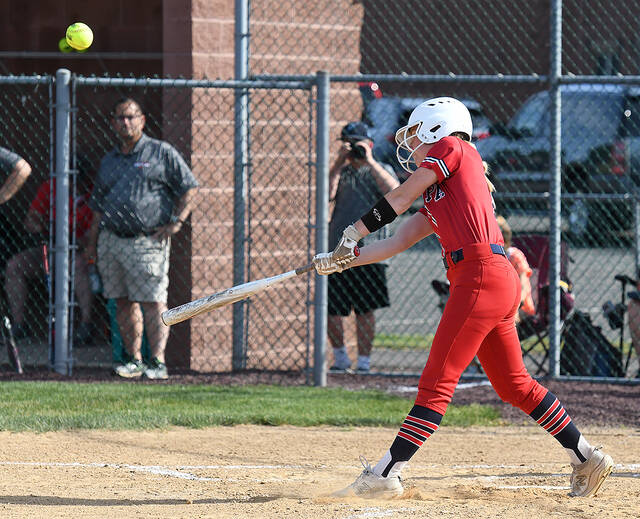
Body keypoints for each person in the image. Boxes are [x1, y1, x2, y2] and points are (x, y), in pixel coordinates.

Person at [313, 97, 613, 499]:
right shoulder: (441, 194)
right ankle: (586, 456)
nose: (413, 146)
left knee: (436, 384)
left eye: (418, 135)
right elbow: (398, 241)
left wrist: (354, 230)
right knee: (514, 385)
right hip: (491, 279)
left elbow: (398, 199)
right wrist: (343, 260)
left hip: (479, 277)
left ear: (439, 129)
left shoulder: (454, 149)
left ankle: (386, 472)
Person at [86, 98, 198, 380]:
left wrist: (177, 222)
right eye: (120, 118)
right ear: (113, 123)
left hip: (147, 241)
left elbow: (190, 188)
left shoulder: (161, 152)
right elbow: (98, 207)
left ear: (142, 120)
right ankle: (134, 360)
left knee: (153, 301)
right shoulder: (109, 160)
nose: (126, 122)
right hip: (111, 240)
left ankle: (157, 362)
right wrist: (92, 243)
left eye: (131, 117)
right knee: (122, 301)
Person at [327, 122, 399, 372]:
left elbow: (394, 192)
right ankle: (340, 360)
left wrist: (369, 161)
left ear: (369, 144)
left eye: (358, 142)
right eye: (349, 142)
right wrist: (338, 164)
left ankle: (364, 363)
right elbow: (326, 194)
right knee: (332, 307)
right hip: (338, 247)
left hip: (371, 249)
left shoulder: (381, 168)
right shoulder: (341, 171)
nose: (354, 148)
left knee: (365, 308)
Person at [5, 169, 95, 344]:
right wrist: (38, 224)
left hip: (77, 250)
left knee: (79, 265)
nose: (73, 184)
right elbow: (31, 220)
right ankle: (19, 325)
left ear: (86, 179)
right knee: (14, 266)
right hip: (50, 248)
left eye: (78, 180)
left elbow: (92, 235)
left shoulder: (93, 193)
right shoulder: (51, 188)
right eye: (70, 179)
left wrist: (74, 237)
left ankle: (86, 324)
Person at [496, 215, 535, 324]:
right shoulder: (491, 256)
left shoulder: (515, 256)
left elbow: (524, 287)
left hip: (520, 306)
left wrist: (516, 306)